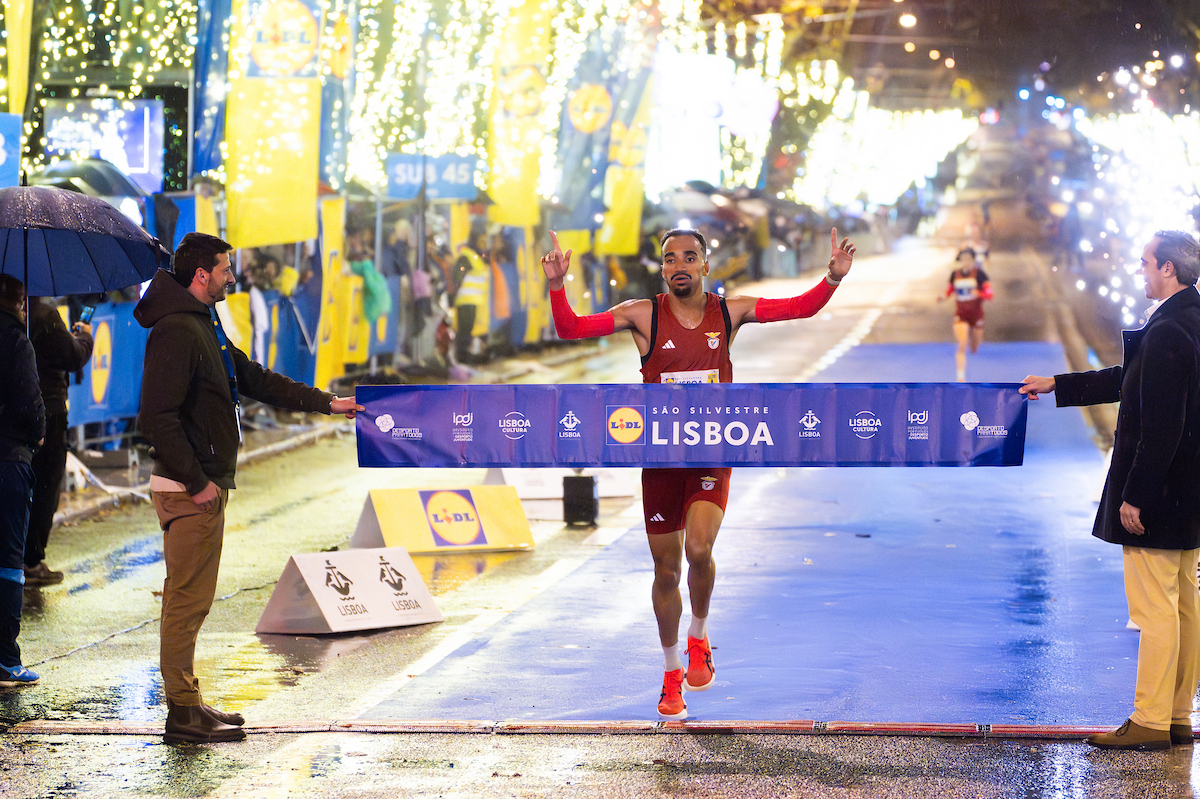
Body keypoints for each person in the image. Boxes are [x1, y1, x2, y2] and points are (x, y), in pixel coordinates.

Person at [541, 226, 855, 719]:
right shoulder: (641, 315)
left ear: (707, 264)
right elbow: (571, 329)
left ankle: (699, 637)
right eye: (670, 259)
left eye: (690, 257)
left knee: (699, 549)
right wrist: (557, 285)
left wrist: (831, 279)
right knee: (665, 570)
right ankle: (670, 675)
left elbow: (797, 308)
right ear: (663, 268)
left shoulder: (730, 312)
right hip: (661, 460)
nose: (679, 265)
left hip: (710, 455)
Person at [134, 232, 363, 744]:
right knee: (186, 602)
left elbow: (254, 378)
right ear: (201, 274)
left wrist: (327, 403)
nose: (232, 277)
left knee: (194, 599)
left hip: (201, 482)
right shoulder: (176, 329)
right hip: (187, 487)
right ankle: (181, 715)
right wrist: (196, 483)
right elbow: (157, 416)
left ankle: (189, 701)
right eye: (225, 269)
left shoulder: (202, 322)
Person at [1020, 230, 1200, 751]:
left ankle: (1148, 720)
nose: (1139, 271)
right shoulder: (1189, 320)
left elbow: (1162, 423)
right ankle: (1176, 714)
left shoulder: (1168, 329)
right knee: (1184, 601)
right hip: (1188, 489)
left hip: (1161, 492)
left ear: (1168, 269)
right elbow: (1131, 380)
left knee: (1155, 608)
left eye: (1146, 263)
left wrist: (1136, 495)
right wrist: (1060, 383)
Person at [25, 297, 93, 585]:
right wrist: (85, 337)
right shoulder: (45, 314)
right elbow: (72, 356)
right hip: (48, 412)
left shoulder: (18, 313)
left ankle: (19, 558)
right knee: (45, 486)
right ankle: (31, 561)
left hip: (21, 410)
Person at [0, 276, 45, 685]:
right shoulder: (17, 340)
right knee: (9, 560)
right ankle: (6, 658)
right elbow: (30, 404)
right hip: (9, 459)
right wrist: (38, 432)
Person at [938, 247, 992, 382]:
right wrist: (943, 297)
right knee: (962, 344)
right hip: (961, 314)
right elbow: (949, 291)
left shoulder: (980, 274)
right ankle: (960, 376)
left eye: (968, 259)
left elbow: (990, 294)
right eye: (963, 259)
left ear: (973, 260)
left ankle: (974, 343)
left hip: (976, 315)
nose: (966, 262)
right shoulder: (955, 275)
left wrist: (979, 294)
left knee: (974, 347)